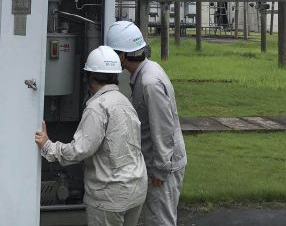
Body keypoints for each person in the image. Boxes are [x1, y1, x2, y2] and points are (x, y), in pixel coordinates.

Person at [34, 45, 147, 226]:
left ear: (89, 77)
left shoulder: (97, 107)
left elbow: (80, 150)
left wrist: (48, 146)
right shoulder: (125, 102)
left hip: (110, 196)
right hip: (136, 189)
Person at [106, 21, 187, 226]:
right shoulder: (147, 71)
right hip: (159, 161)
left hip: (164, 165)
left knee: (160, 220)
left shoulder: (149, 82)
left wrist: (161, 168)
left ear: (122, 56)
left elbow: (163, 127)